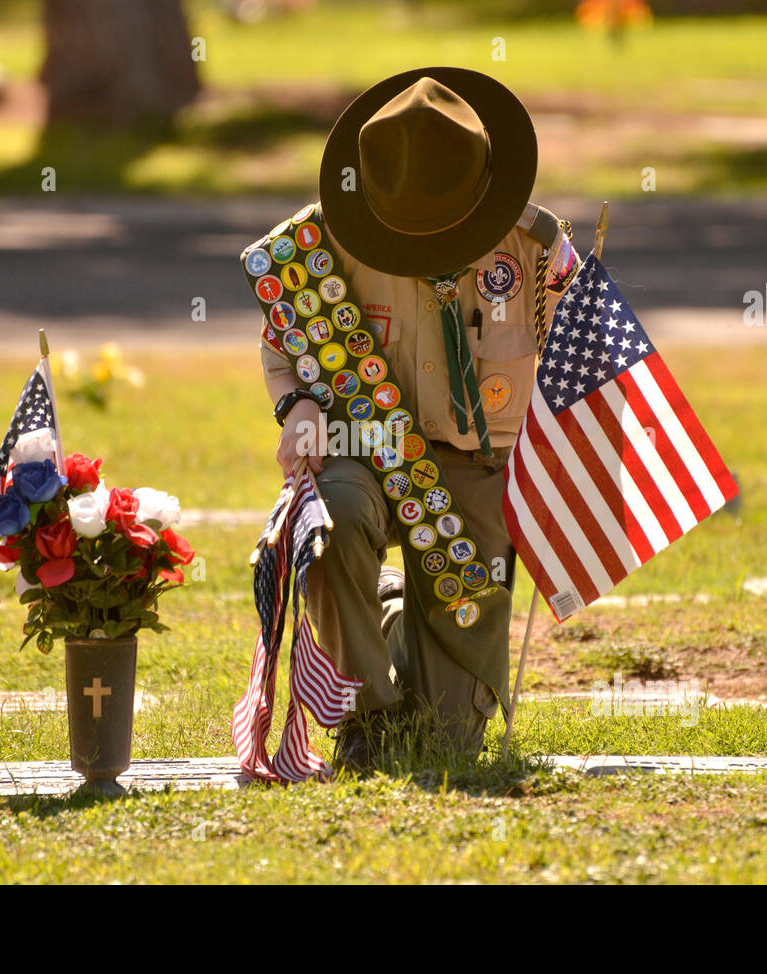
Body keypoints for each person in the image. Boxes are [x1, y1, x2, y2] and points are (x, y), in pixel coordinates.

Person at [249, 68, 580, 770]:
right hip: (362, 446)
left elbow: (582, 371)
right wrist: (298, 405)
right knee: (328, 523)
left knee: (445, 741)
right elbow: (283, 346)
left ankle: (399, 615)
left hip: (478, 460)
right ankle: (363, 712)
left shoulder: (538, 250)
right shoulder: (319, 246)